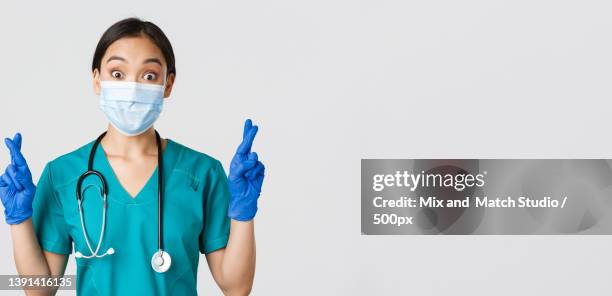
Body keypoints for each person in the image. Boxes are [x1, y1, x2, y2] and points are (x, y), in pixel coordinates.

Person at [0, 17, 265, 295]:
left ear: (168, 84)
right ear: (96, 80)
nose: (133, 88)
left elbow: (237, 287)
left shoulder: (202, 173)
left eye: (149, 75)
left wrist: (243, 214)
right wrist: (19, 220)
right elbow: (40, 289)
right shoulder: (63, 175)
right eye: (117, 73)